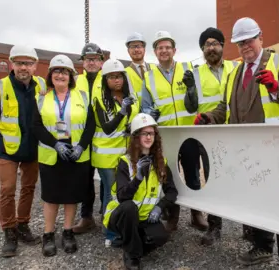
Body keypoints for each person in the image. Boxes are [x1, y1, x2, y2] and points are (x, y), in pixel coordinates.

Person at [194, 17, 279, 269]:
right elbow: (226, 106)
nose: (245, 46)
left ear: (261, 38)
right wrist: (210, 117)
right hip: (249, 153)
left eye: (249, 41)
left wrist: (276, 86)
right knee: (259, 204)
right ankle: (263, 248)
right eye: (240, 43)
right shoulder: (235, 73)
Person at [0, 45, 45, 257]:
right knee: (7, 190)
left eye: (27, 63)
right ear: (12, 65)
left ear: (35, 66)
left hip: (33, 149)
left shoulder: (42, 85)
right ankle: (9, 231)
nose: (23, 67)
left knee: (28, 188)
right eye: (19, 63)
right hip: (8, 151)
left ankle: (23, 225)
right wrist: (2, 145)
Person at [140, 30, 208, 232]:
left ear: (174, 50)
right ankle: (172, 216)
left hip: (187, 134)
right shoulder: (149, 77)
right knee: (168, 177)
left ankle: (196, 214)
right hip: (165, 136)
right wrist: (149, 113)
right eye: (160, 47)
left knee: (193, 174)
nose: (164, 50)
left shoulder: (188, 70)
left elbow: (196, 101)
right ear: (155, 52)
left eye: (167, 47)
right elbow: (145, 107)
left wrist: (190, 88)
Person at [33, 54, 95, 256]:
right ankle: (48, 235)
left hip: (76, 153)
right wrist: (55, 144)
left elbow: (90, 126)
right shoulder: (41, 98)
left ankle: (67, 232)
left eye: (65, 71)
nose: (61, 75)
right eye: (57, 71)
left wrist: (81, 147)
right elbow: (36, 126)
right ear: (51, 75)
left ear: (71, 76)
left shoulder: (83, 97)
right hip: (52, 152)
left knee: (71, 196)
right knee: (51, 197)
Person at [184, 27, 239, 245]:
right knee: (213, 180)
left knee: (242, 178)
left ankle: (250, 229)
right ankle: (214, 228)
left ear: (223, 46)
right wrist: (189, 89)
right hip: (208, 135)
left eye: (215, 43)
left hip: (234, 131)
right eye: (207, 44)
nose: (211, 47)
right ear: (202, 49)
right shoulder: (196, 73)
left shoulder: (236, 68)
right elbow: (191, 107)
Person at [102, 113, 178, 270]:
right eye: (144, 133)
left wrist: (160, 207)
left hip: (144, 218)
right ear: (136, 137)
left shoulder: (160, 163)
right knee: (129, 207)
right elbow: (123, 197)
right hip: (121, 216)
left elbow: (171, 191)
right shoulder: (125, 162)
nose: (149, 137)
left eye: (151, 133)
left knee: (161, 237)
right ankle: (132, 256)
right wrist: (137, 179)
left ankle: (129, 243)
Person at [91, 59, 139, 247]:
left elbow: (133, 121)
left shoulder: (131, 98)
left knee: (123, 194)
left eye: (119, 76)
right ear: (105, 80)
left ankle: (121, 228)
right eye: (112, 77)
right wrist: (122, 113)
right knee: (111, 195)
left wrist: (131, 126)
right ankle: (110, 232)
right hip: (106, 156)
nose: (116, 80)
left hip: (125, 156)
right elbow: (107, 127)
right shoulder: (100, 100)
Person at [72, 42, 106, 234]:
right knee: (85, 179)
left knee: (106, 179)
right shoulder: (76, 81)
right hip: (83, 138)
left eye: (94, 59)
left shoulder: (108, 78)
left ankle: (104, 213)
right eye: (88, 59)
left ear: (101, 61)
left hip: (104, 138)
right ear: (83, 62)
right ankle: (86, 217)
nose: (91, 62)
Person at [124, 32, 154, 103]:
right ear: (128, 51)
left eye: (139, 46)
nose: (136, 50)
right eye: (132, 47)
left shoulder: (155, 68)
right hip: (136, 112)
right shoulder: (124, 73)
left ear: (144, 49)